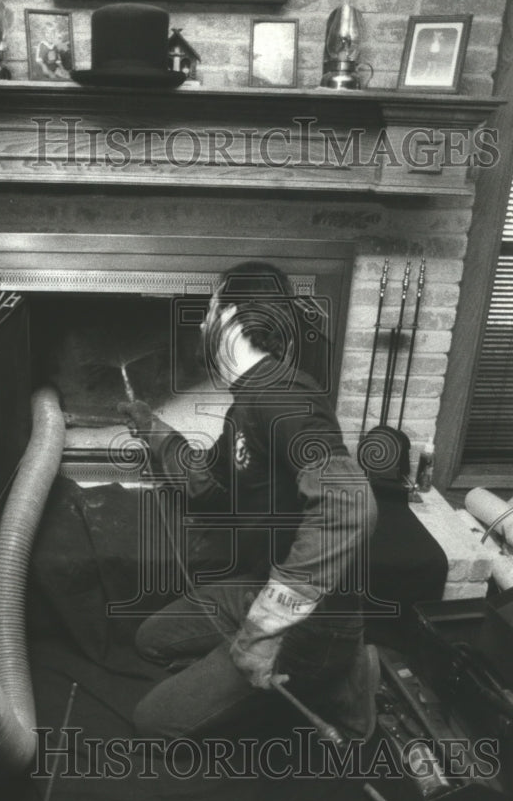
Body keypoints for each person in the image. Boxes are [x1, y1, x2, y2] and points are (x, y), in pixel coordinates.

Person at [119, 262, 379, 742]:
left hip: (311, 624)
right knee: (151, 640)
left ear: (233, 315)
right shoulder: (248, 403)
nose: (202, 323)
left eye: (210, 308)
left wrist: (263, 631)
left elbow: (347, 505)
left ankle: (339, 678)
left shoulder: (283, 395)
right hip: (258, 586)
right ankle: (289, 666)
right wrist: (153, 428)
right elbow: (207, 487)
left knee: (153, 723)